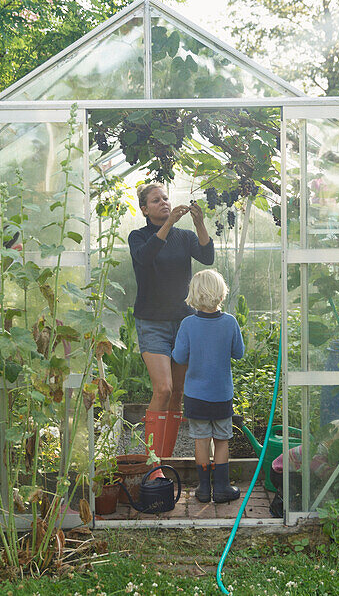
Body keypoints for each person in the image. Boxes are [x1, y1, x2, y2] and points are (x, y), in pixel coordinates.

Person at [128, 182, 213, 468]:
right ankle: (152, 462)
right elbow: (145, 258)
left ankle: (164, 460)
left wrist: (200, 223)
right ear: (144, 209)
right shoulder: (138, 237)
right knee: (163, 389)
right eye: (156, 200)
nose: (164, 202)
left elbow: (207, 256)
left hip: (184, 322)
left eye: (166, 198)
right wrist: (169, 225)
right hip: (152, 323)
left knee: (178, 392)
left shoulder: (185, 237)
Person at [170, 269, 245, 503]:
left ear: (194, 294)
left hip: (196, 396)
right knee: (222, 440)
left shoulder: (188, 324)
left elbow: (179, 357)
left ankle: (203, 490)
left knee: (201, 440)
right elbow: (239, 353)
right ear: (221, 293)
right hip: (221, 395)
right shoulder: (230, 322)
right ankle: (222, 488)